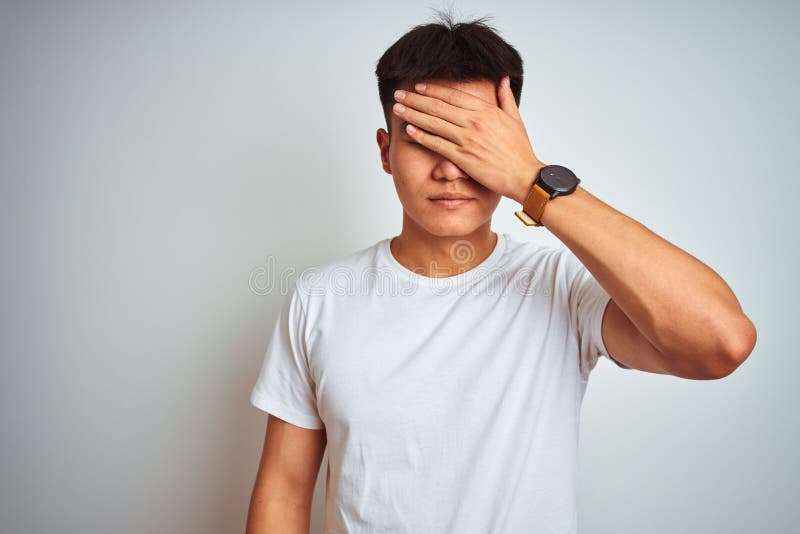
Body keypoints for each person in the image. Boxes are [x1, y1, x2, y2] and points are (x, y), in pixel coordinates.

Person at [245, 11, 756, 534]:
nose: (449, 167)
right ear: (385, 151)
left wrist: (531, 178)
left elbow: (722, 342)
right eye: (423, 137)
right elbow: (284, 494)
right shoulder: (321, 297)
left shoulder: (562, 287)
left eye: (472, 141)